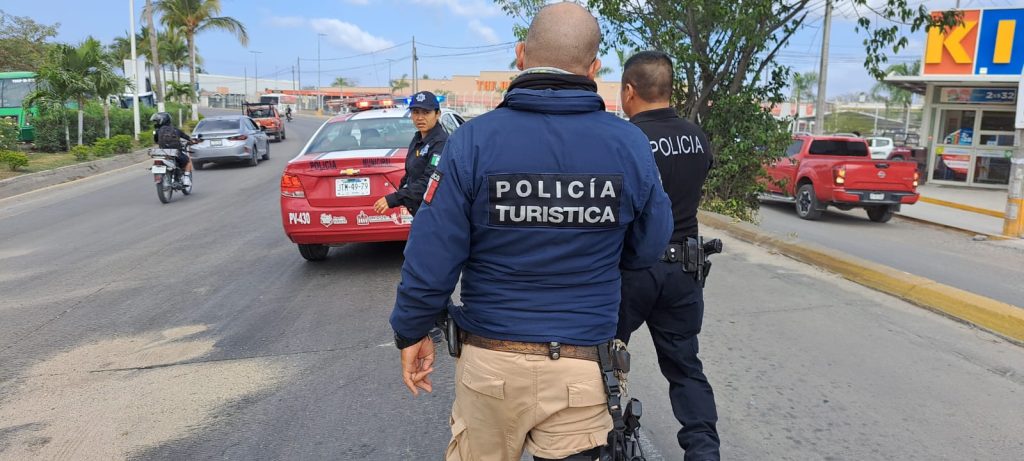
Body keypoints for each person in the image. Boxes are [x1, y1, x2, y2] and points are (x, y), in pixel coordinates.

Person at [388, 3, 672, 460]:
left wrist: (412, 331)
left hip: (491, 366)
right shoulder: (629, 145)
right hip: (582, 372)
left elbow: (431, 256)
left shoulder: (471, 143)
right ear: (595, 68)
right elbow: (649, 246)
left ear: (520, 55)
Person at [615, 51, 719, 461]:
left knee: (599, 358)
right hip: (684, 272)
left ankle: (599, 442)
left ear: (629, 91)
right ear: (669, 89)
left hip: (632, 272)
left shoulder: (624, 139)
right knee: (685, 369)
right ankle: (704, 452)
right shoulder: (697, 136)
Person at [372, 91, 448, 217]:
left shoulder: (441, 143)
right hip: (420, 211)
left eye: (426, 112)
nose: (420, 117)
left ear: (437, 114)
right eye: (415, 112)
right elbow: (410, 174)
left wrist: (395, 198)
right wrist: (403, 192)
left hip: (437, 214)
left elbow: (430, 181)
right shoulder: (418, 139)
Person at [150, 112, 193, 186]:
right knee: (188, 161)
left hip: (163, 154)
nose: (156, 123)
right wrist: (192, 141)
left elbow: (156, 141)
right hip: (175, 153)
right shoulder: (176, 130)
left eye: (157, 121)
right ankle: (186, 179)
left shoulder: (157, 131)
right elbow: (187, 137)